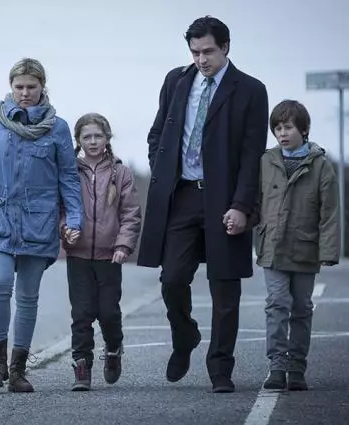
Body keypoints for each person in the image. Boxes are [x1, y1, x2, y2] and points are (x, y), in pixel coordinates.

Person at [136, 16, 269, 393]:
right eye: (194, 52)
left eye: (208, 51)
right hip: (182, 196)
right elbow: (157, 133)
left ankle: (220, 369)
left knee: (225, 289)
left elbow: (252, 155)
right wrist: (162, 170)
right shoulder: (176, 80)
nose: (201, 59)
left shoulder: (251, 90)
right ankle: (185, 336)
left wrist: (242, 205)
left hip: (225, 199)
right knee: (172, 279)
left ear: (225, 47)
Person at [0, 57, 83, 393]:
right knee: (0, 283)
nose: (25, 93)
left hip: (38, 223)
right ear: (11, 87)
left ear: (43, 87)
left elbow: (68, 177)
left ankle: (18, 370)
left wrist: (74, 219)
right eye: (19, 87)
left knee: (28, 297)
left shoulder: (58, 128)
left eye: (32, 86)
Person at [251, 100, 339, 391]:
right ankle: (277, 366)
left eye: (288, 127)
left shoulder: (321, 166)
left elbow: (329, 213)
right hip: (272, 248)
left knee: (301, 308)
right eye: (277, 128)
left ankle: (296, 368)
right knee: (277, 305)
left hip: (305, 249)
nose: (282, 133)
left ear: (304, 129)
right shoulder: (265, 161)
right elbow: (254, 200)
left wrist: (328, 251)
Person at [61, 113, 142, 391]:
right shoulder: (69, 171)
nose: (93, 141)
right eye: (87, 137)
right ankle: (81, 366)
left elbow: (130, 213)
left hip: (110, 256)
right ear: (78, 140)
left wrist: (123, 245)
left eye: (98, 136)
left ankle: (114, 348)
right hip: (78, 255)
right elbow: (61, 208)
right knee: (82, 313)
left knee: (108, 312)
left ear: (107, 138)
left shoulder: (121, 173)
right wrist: (65, 230)